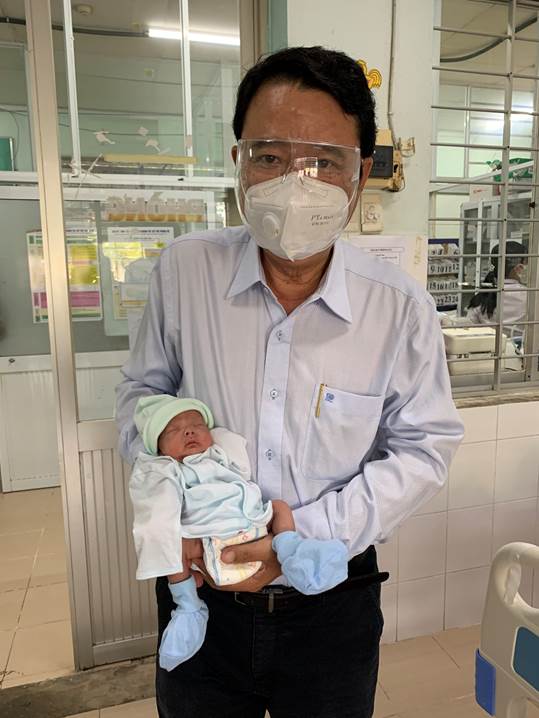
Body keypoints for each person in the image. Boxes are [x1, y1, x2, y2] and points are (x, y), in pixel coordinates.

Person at [116, 45, 464, 718]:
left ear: (361, 174)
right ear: (238, 163)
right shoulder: (185, 272)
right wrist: (169, 500)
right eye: (270, 156)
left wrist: (303, 534)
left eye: (324, 161)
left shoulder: (397, 307)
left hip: (331, 602)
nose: (295, 182)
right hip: (203, 593)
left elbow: (425, 448)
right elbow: (139, 396)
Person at [129, 394, 348, 672]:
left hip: (252, 526)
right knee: (174, 547)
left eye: (197, 425)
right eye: (174, 430)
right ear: (159, 449)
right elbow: (159, 515)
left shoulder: (220, 455)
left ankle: (292, 551)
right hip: (209, 542)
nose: (189, 431)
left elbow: (241, 466)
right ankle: (187, 605)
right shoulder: (171, 471)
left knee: (279, 507)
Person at [466, 241, 528, 342]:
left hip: (487, 348)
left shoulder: (483, 295)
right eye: (527, 264)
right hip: (520, 350)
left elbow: (469, 327)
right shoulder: (529, 295)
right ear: (519, 268)